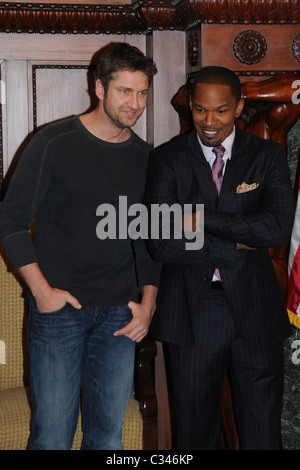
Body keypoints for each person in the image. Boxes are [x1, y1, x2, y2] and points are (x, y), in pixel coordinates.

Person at [0, 42, 160, 450]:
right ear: (100, 88)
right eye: (125, 91)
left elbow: (149, 238)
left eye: (142, 93)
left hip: (120, 318)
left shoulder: (146, 158)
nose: (134, 104)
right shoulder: (52, 143)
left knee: (107, 437)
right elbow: (11, 221)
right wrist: (42, 292)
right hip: (59, 314)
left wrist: (149, 302)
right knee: (52, 436)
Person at [144, 66, 295, 450]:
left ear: (239, 106)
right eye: (199, 110)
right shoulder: (167, 159)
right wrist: (234, 244)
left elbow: (277, 229)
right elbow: (160, 242)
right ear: (191, 107)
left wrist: (201, 220)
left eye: (221, 111)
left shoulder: (267, 156)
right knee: (195, 435)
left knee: (263, 434)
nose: (209, 121)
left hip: (257, 308)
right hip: (195, 310)